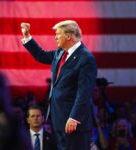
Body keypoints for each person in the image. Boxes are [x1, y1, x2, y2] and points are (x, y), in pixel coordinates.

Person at [21, 20, 97, 150]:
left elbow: (84, 92)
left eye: (58, 34)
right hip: (59, 119)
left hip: (74, 123)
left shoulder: (86, 58)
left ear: (68, 36)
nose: (55, 37)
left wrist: (74, 117)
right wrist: (27, 36)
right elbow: (41, 55)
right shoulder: (60, 52)